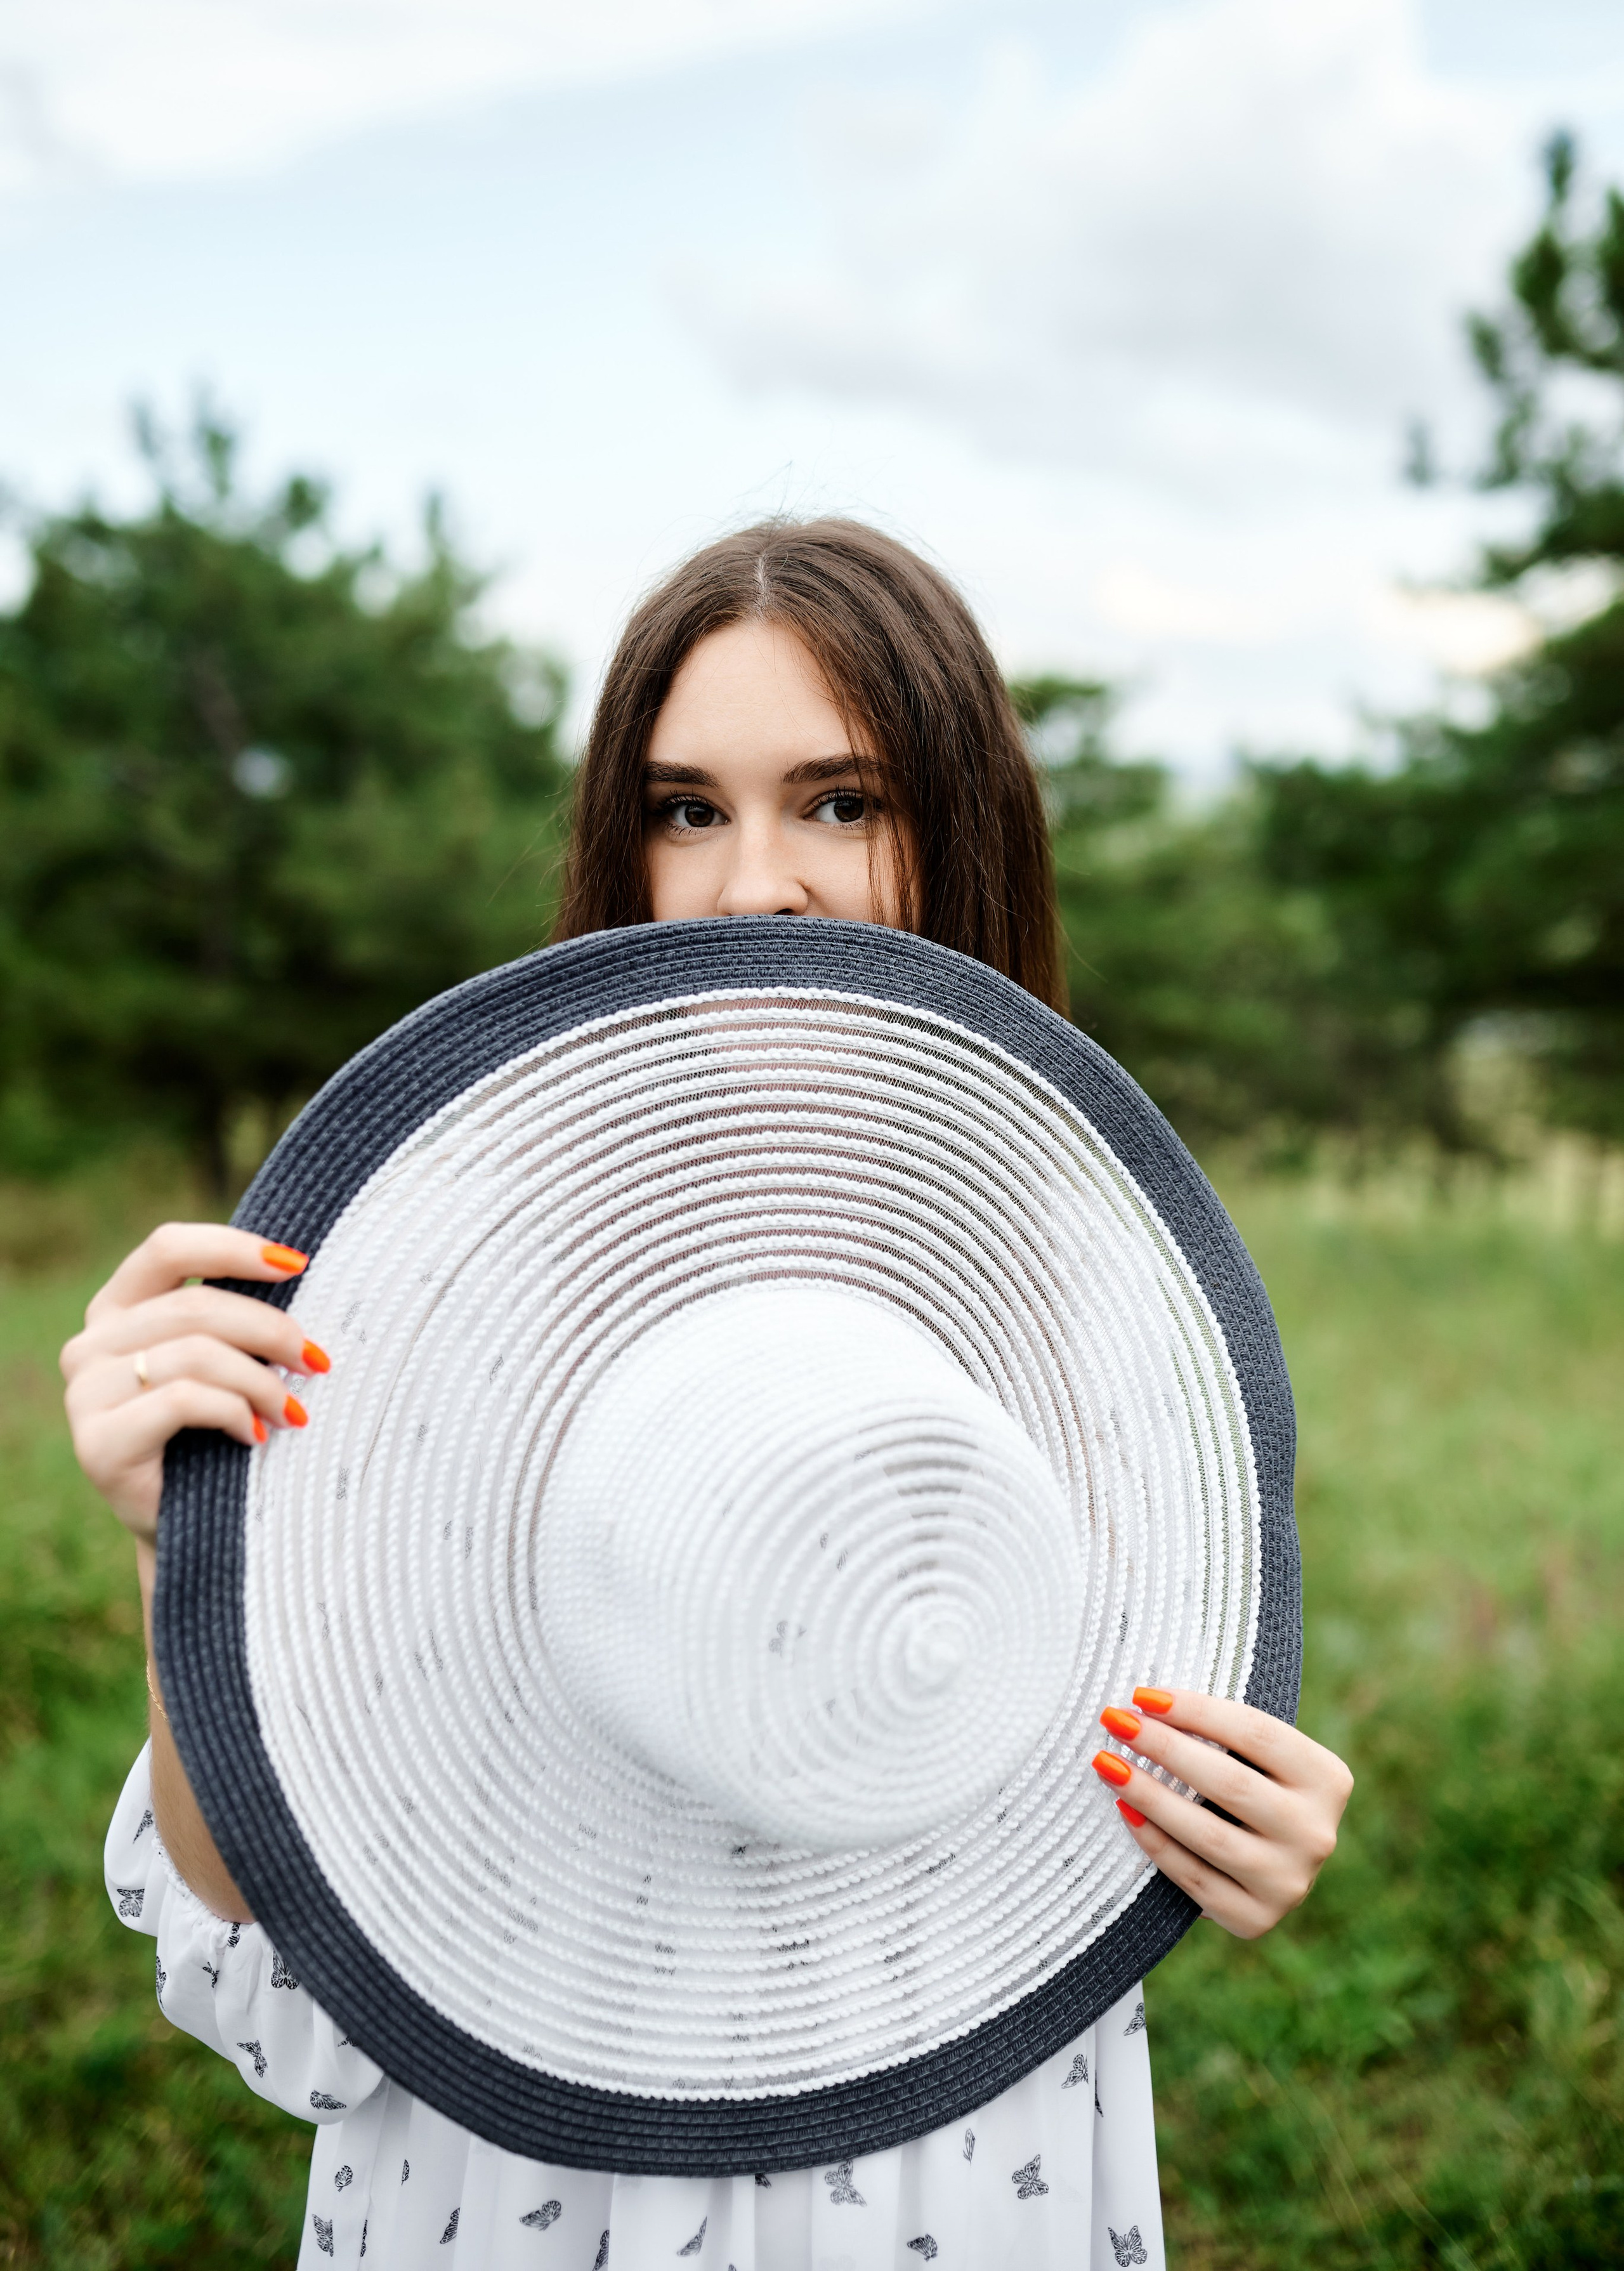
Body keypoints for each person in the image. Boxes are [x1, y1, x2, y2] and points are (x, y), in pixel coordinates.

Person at [64, 520, 1354, 2270]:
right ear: (624, 850)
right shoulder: (436, 1292)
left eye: (841, 801)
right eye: (688, 809)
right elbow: (279, 2009)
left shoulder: (1105, 1323)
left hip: (965, 2195)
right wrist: (188, 1556)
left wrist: (1232, 1831)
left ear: (960, 837)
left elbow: (1080, 1817)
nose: (757, 882)